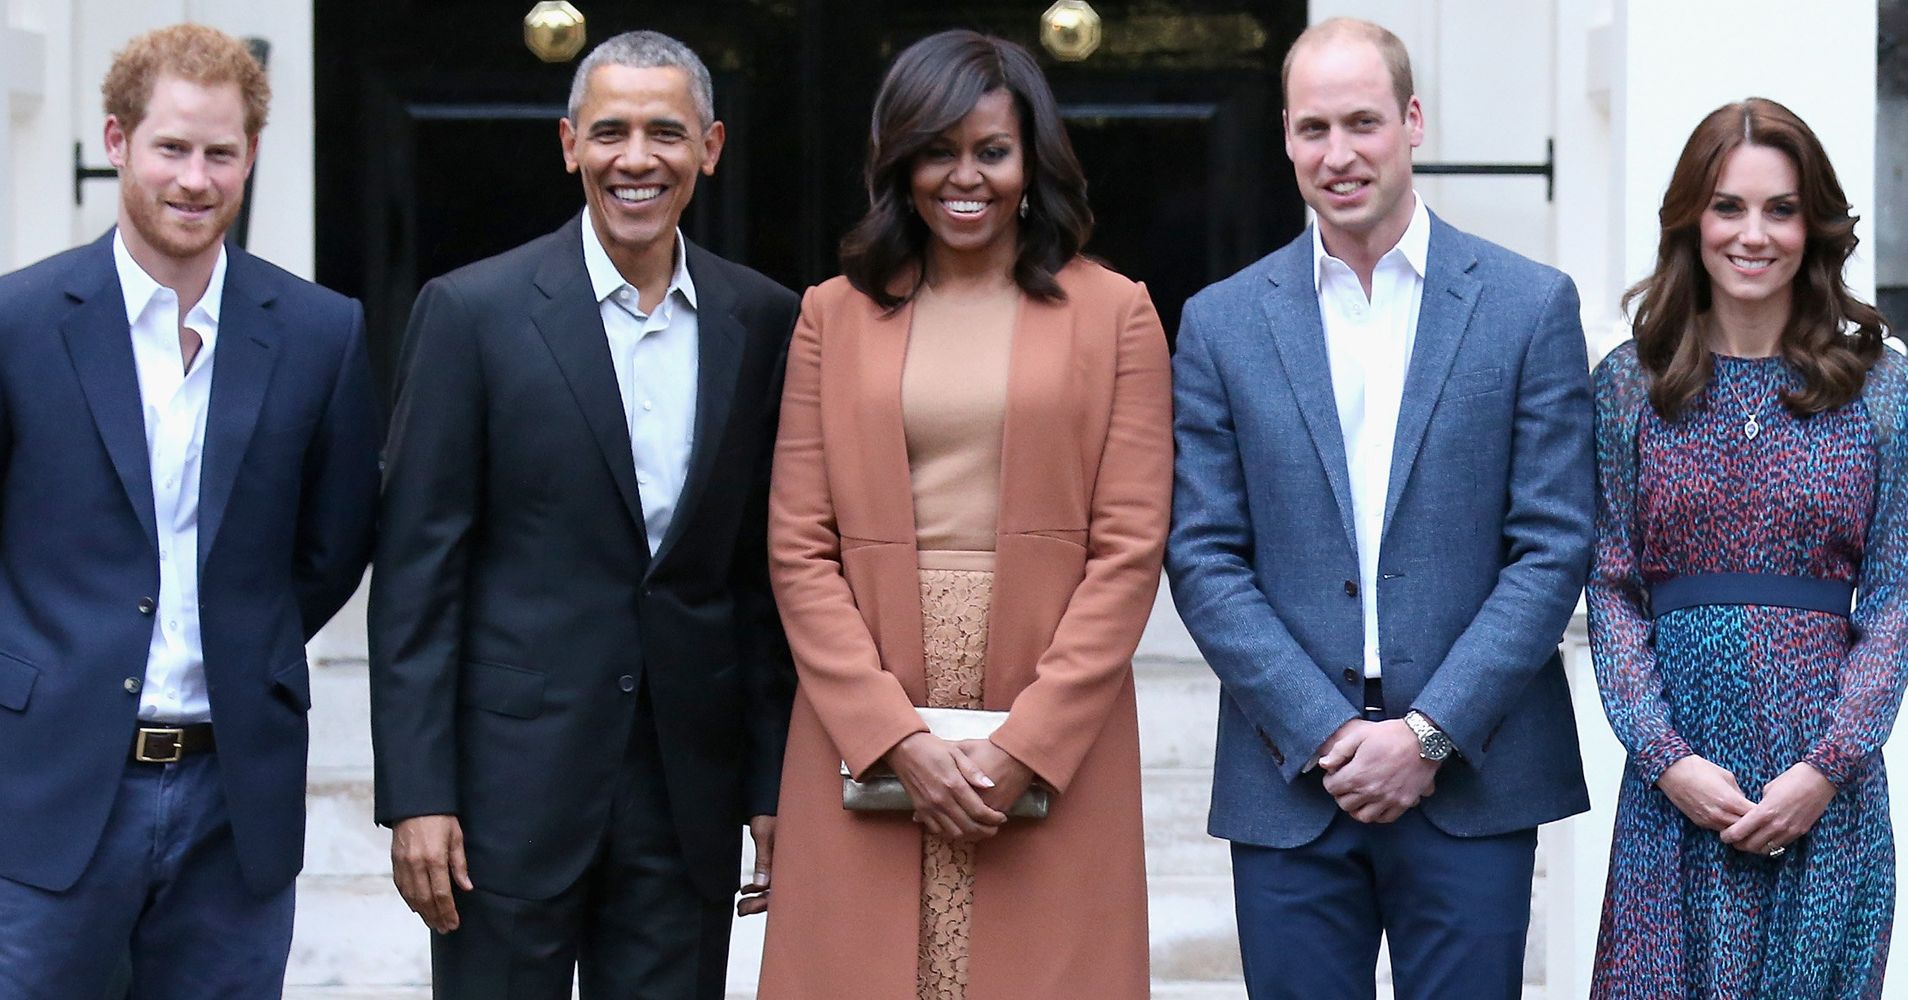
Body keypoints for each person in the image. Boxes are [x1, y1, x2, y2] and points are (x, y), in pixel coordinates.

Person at [1165, 17, 1596, 1000]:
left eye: (1363, 122)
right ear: (1285, 137)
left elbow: (1552, 546)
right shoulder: (1221, 323)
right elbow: (1203, 557)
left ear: (1412, 121)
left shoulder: (1529, 306)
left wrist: (1427, 733)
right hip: (1290, 779)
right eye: (1314, 129)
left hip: (1472, 777)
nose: (1339, 153)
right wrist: (1327, 732)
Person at [368, 29, 798, 1000]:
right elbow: (416, 578)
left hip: (685, 792)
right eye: (610, 132)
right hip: (505, 793)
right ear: (570, 145)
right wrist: (418, 793)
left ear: (711, 147)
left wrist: (773, 784)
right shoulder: (470, 313)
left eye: (664, 132)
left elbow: (765, 579)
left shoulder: (767, 321)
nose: (635, 158)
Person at [755, 28, 1170, 1000]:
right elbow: (798, 547)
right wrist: (890, 734)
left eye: (991, 150)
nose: (964, 177)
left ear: (1031, 161)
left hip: (1052, 714)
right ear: (899, 163)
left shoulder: (1118, 314)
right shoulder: (832, 315)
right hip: (866, 709)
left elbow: (1129, 550)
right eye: (937, 150)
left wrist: (1024, 744)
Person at [0, 23, 380, 998]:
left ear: (252, 154)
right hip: (48, 787)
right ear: (118, 140)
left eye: (221, 152)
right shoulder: (19, 323)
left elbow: (334, 543)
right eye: (172, 147)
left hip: (234, 796)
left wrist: (248, 635)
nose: (196, 178)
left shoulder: (321, 332)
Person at [1588, 97, 1906, 999]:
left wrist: (1826, 766)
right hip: (1674, 794)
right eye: (1728, 206)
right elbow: (1610, 587)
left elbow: (1896, 598)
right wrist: (1664, 756)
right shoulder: (1627, 386)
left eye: (1780, 209)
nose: (1752, 235)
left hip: (1827, 801)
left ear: (1816, 226)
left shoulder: (1882, 389)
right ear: (1693, 219)